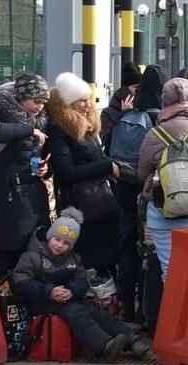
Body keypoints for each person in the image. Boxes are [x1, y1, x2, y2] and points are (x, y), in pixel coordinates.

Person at [12, 208, 151, 361]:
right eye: (57, 240)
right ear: (49, 237)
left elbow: (81, 280)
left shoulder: (73, 259)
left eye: (66, 243)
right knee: (77, 313)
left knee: (97, 313)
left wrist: (72, 291)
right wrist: (48, 291)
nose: (60, 245)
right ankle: (104, 345)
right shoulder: (32, 256)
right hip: (41, 301)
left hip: (67, 298)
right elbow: (21, 281)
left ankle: (133, 341)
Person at [136, 77, 188, 281]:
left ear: (164, 100)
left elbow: (141, 172)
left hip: (161, 211)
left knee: (169, 272)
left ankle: (172, 312)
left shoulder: (154, 134)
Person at [109, 64, 168, 323]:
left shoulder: (126, 117)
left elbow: (108, 151)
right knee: (151, 249)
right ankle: (148, 309)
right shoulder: (162, 119)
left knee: (126, 247)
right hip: (152, 195)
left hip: (125, 191)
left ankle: (125, 306)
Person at [47, 72, 120, 274]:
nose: (88, 105)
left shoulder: (85, 128)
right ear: (68, 104)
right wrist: (107, 167)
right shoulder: (59, 130)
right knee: (90, 260)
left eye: (89, 99)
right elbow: (67, 172)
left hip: (99, 204)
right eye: (82, 101)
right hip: (84, 206)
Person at [0, 74, 51, 282]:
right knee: (9, 258)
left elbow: (38, 158)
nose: (39, 107)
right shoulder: (0, 115)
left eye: (43, 103)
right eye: (35, 101)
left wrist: (44, 170)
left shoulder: (41, 121)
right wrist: (30, 130)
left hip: (31, 197)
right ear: (21, 97)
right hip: (8, 200)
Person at [100, 62, 142, 143]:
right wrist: (124, 115)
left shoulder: (142, 109)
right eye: (136, 87)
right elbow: (106, 141)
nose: (139, 91)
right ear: (125, 90)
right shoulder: (107, 113)